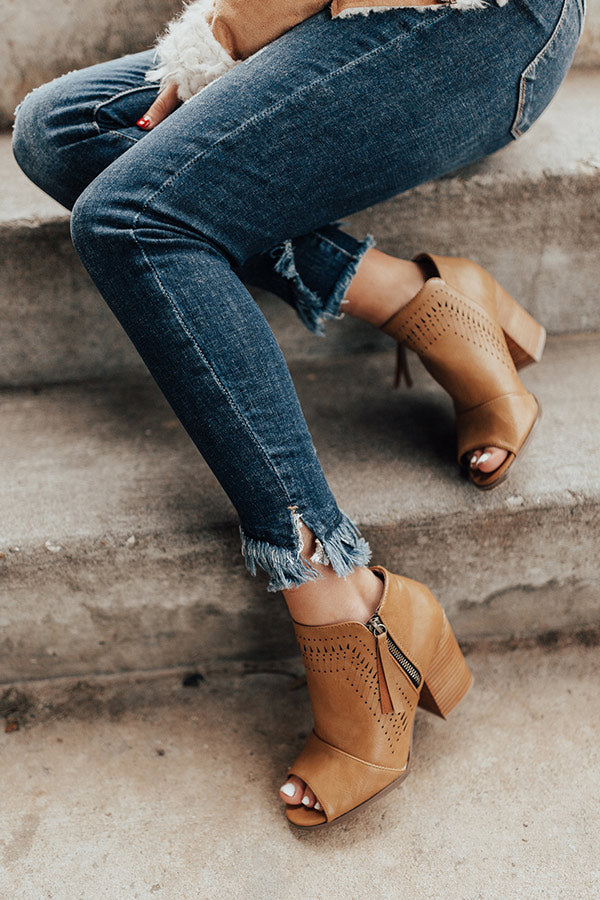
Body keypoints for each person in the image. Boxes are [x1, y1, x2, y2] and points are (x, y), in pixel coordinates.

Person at [12, 0, 585, 827]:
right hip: (331, 12)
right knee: (60, 129)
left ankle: (340, 596)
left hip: (484, 24)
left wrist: (224, 37)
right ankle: (414, 297)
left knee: (133, 220)